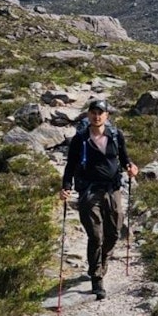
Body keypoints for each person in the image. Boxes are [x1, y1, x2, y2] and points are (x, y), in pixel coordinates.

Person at [60, 99, 138, 299]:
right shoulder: (80, 139)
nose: (97, 116)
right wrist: (66, 187)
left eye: (100, 112)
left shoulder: (115, 135)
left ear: (107, 116)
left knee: (114, 232)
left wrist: (131, 166)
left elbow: (124, 157)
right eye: (93, 112)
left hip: (112, 189)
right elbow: (70, 166)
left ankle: (102, 261)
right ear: (88, 115)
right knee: (96, 235)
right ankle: (97, 279)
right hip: (89, 191)